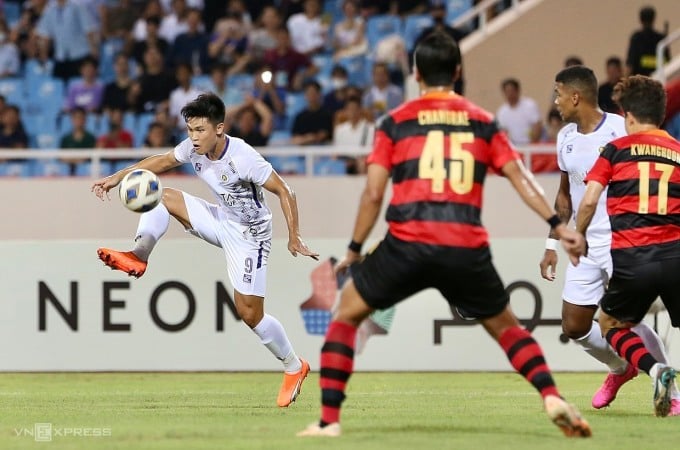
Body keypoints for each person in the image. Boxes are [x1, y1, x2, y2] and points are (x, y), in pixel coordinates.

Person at [297, 31, 591, 439]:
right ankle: (552, 397)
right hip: (464, 246)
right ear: (457, 72)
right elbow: (520, 177)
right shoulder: (483, 122)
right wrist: (558, 227)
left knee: (345, 314)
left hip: (407, 244)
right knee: (509, 329)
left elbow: (373, 193)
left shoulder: (394, 122)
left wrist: (353, 249)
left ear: (416, 73)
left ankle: (329, 421)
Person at [91, 92, 317, 408]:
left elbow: (285, 190)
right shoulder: (193, 149)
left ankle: (295, 366)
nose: (193, 137)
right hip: (220, 218)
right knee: (160, 194)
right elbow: (159, 162)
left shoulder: (243, 157)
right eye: (190, 130)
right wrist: (117, 178)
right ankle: (139, 255)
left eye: (200, 130)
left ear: (219, 129)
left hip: (251, 236)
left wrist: (294, 236)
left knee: (250, 314)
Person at [538, 65, 678, 412]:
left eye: (558, 93)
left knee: (621, 321)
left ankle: (671, 394)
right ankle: (620, 368)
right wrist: (554, 242)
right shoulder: (565, 138)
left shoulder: (621, 129)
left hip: (622, 240)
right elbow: (566, 195)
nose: (555, 102)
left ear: (575, 96)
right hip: (582, 244)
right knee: (575, 326)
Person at [496, 77, 542, 146]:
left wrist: (532, 144)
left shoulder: (530, 105)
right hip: (513, 148)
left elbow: (537, 126)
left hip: (531, 147)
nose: (510, 94)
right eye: (507, 91)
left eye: (512, 91)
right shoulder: (502, 112)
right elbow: (503, 132)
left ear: (518, 90)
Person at [625, 5, 669, 77]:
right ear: (653, 19)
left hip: (640, 80)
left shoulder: (636, 37)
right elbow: (667, 62)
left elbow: (630, 64)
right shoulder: (660, 38)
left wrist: (627, 81)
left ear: (640, 19)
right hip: (658, 79)